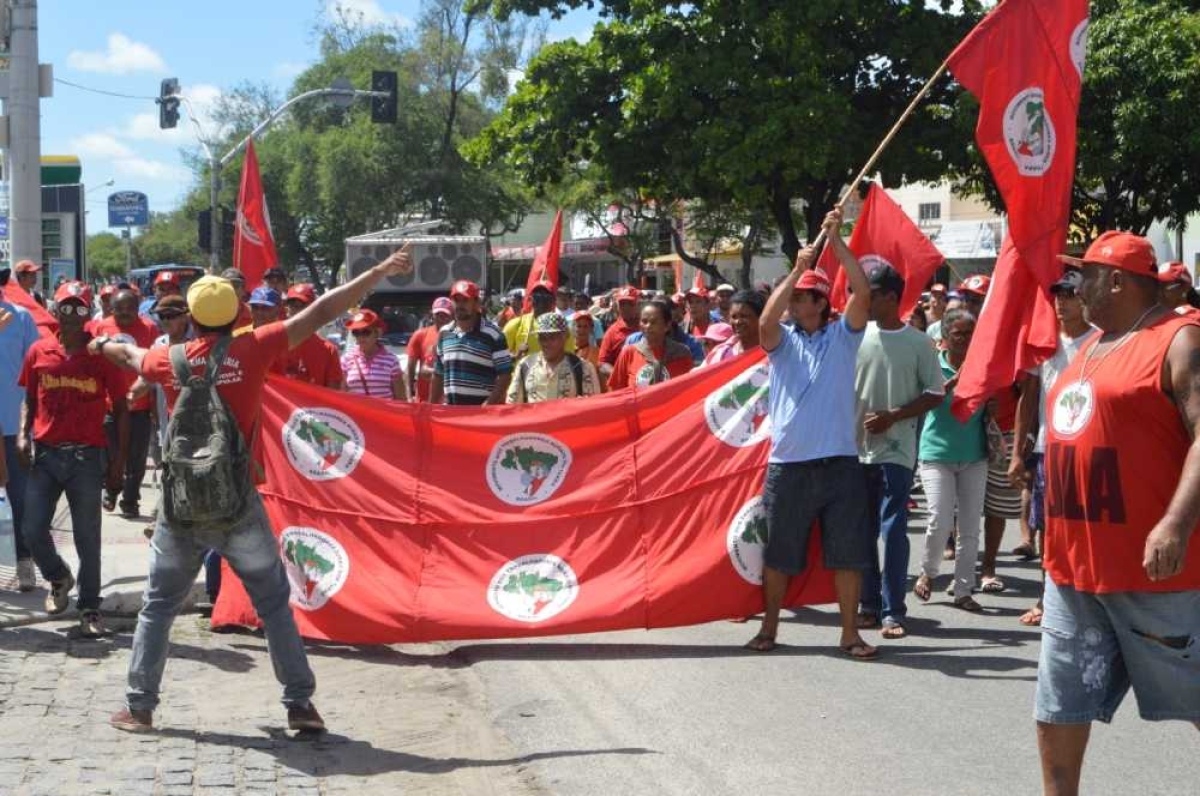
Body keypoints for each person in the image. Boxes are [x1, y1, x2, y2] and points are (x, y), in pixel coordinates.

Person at [96, 246, 415, 734]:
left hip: (182, 510)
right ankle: (300, 706)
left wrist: (102, 346)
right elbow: (325, 309)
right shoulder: (256, 347)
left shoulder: (169, 360)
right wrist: (376, 272)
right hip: (240, 502)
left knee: (158, 605)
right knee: (272, 602)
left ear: (194, 318)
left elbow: (130, 355)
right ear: (235, 314)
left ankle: (139, 708)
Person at [1031, 232, 1200, 795]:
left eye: (1085, 275)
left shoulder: (1179, 338)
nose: (1076, 286)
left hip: (1155, 575)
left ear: (1119, 280)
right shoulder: (1091, 344)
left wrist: (1175, 521)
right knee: (1059, 707)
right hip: (1074, 569)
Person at [744, 208, 876, 659]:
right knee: (780, 554)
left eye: (803, 297)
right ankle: (769, 628)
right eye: (794, 298)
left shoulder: (844, 336)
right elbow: (764, 322)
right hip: (789, 465)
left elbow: (863, 290)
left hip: (840, 462)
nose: (796, 303)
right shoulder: (781, 342)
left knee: (848, 554)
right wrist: (797, 270)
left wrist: (837, 241)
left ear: (820, 302)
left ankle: (849, 635)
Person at [19, 282, 126, 638]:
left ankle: (90, 607)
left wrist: (117, 463)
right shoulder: (39, 351)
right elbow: (30, 399)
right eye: (65, 307)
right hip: (46, 455)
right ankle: (58, 577)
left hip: (86, 457)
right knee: (32, 528)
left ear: (88, 313)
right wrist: (23, 433)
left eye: (79, 309)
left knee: (87, 536)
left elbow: (122, 408)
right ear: (54, 309)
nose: (70, 315)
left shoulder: (100, 356)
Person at [854, 265, 946, 640]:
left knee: (892, 531)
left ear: (891, 297)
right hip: (854, 450)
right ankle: (868, 604)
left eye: (871, 294)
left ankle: (893, 611)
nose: (864, 300)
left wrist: (894, 416)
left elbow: (935, 393)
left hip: (897, 450)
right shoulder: (855, 335)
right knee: (862, 531)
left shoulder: (920, 342)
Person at [1008, 269, 1096, 626]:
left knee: (1088, 529)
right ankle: (1047, 601)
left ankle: (1090, 602)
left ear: (1085, 297)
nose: (1062, 301)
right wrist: (1017, 454)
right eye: (1058, 294)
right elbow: (1026, 402)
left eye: (1070, 294)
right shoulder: (1043, 342)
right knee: (1047, 529)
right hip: (1049, 451)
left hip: (1090, 452)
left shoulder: (1100, 341)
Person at [912, 309, 989, 610]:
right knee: (940, 520)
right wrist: (958, 379)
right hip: (936, 455)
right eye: (958, 334)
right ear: (944, 338)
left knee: (970, 528)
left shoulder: (983, 367)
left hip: (974, 455)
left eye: (970, 334)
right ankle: (928, 573)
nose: (965, 340)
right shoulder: (932, 365)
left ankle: (963, 590)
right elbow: (928, 400)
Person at [91, 289, 159, 519]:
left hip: (139, 406)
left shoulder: (149, 328)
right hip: (109, 405)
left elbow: (152, 365)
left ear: (138, 306)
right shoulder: (100, 327)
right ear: (111, 308)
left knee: (136, 459)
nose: (125, 313)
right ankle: (110, 490)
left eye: (130, 308)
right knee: (111, 455)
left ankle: (130, 501)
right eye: (119, 308)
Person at [0, 284, 39, 590]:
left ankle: (26, 562)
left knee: (22, 498)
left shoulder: (22, 317)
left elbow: (36, 367)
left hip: (15, 426)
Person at [431, 280, 512, 406]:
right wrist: (431, 408)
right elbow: (438, 374)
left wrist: (488, 405)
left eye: (465, 300)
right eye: (457, 300)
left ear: (476, 303)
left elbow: (505, 375)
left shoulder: (494, 334)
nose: (460, 305)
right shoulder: (444, 333)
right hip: (451, 415)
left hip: (481, 418)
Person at [508, 313, 602, 403]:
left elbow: (592, 408)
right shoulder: (525, 365)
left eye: (552, 337)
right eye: (542, 338)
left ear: (565, 337)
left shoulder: (583, 368)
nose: (546, 343)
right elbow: (513, 407)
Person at [608, 300, 694, 390]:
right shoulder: (629, 353)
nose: (648, 326)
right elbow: (615, 391)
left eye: (653, 322)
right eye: (644, 321)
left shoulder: (682, 353)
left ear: (667, 325)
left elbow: (690, 390)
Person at [279, 285, 343, 389]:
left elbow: (333, 396)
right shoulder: (273, 345)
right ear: (287, 309)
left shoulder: (328, 351)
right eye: (293, 305)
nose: (297, 311)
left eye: (302, 305)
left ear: (314, 310)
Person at [341, 309, 405, 400]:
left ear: (377, 333)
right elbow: (341, 394)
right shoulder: (346, 359)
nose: (360, 337)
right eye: (356, 333)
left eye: (366, 332)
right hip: (355, 413)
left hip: (383, 413)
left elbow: (401, 398)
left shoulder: (391, 360)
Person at [504, 281, 575, 362]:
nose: (541, 301)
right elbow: (499, 357)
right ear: (531, 299)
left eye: (545, 297)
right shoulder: (515, 325)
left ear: (553, 301)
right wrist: (516, 356)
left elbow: (570, 360)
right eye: (537, 296)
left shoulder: (563, 328)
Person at [406, 297, 453, 402]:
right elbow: (410, 369)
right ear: (432, 315)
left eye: (445, 315)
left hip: (450, 402)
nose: (442, 318)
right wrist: (409, 396)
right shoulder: (420, 335)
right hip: (424, 400)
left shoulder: (458, 336)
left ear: (452, 317)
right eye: (438, 315)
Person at [704, 289, 764, 365]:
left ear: (760, 318)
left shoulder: (773, 353)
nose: (737, 322)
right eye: (734, 317)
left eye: (744, 316)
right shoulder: (722, 355)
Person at [597, 286, 641, 379]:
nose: (626, 308)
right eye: (622, 304)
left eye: (630, 304)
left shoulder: (647, 327)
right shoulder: (612, 332)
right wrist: (619, 375)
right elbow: (602, 363)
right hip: (622, 389)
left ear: (638, 304)